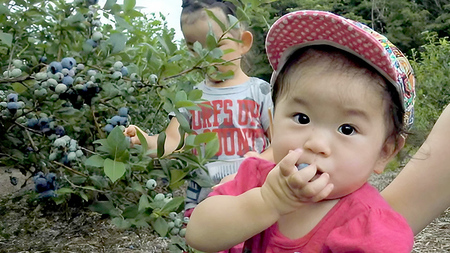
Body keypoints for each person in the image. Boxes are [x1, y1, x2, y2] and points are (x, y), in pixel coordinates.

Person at [185, 10, 417, 252]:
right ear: (273, 126)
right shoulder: (255, 180)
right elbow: (198, 234)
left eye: (347, 129)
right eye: (301, 118)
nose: (315, 143)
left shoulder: (371, 228)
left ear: (384, 152)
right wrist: (267, 202)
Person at [124, 0, 273, 219]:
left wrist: (253, 168)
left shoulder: (260, 91)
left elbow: (280, 145)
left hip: (252, 198)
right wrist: (145, 140)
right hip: (204, 204)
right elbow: (174, 140)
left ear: (243, 42)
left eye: (215, 45)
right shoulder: (191, 98)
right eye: (194, 47)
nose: (204, 56)